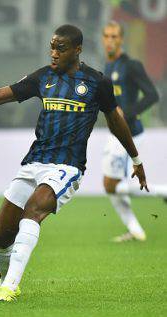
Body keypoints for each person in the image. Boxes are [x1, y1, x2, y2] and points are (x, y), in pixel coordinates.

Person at [0, 24, 148, 302]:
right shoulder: (43, 78)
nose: (54, 53)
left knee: (33, 211)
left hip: (67, 166)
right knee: (0, 235)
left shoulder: (97, 83)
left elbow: (116, 122)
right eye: (52, 46)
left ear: (77, 50)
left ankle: (9, 288)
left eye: (60, 48)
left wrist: (136, 159)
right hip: (34, 162)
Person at [102, 21, 164, 242]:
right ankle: (136, 230)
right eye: (107, 36)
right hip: (115, 132)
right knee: (110, 185)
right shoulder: (107, 66)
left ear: (121, 39)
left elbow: (152, 95)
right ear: (103, 39)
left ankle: (162, 191)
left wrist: (126, 113)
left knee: (112, 184)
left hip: (131, 132)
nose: (110, 40)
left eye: (114, 36)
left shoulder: (131, 65)